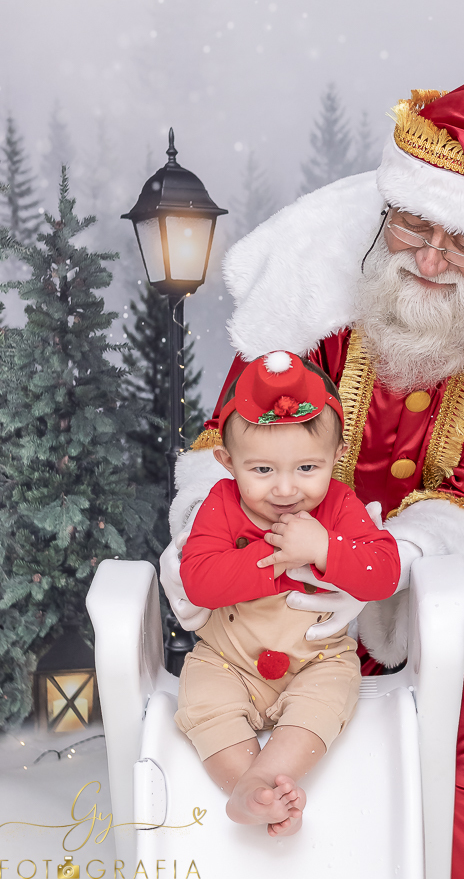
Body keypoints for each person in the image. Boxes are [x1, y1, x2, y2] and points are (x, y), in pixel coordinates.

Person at [160, 62, 464, 879]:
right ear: (389, 211)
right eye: (415, 228)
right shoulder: (316, 288)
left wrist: (375, 564)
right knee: (254, 723)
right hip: (281, 557)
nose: (432, 259)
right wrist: (207, 538)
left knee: (454, 756)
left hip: (455, 587)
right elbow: (229, 437)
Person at [173, 350, 400, 838]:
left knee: (327, 698)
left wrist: (325, 548)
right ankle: (249, 790)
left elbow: (382, 573)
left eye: (305, 468)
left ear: (337, 457)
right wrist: (281, 563)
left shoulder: (339, 505)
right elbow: (200, 581)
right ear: (227, 461)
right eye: (261, 471)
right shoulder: (220, 503)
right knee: (203, 702)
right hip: (227, 658)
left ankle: (268, 780)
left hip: (317, 659)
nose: (284, 489)